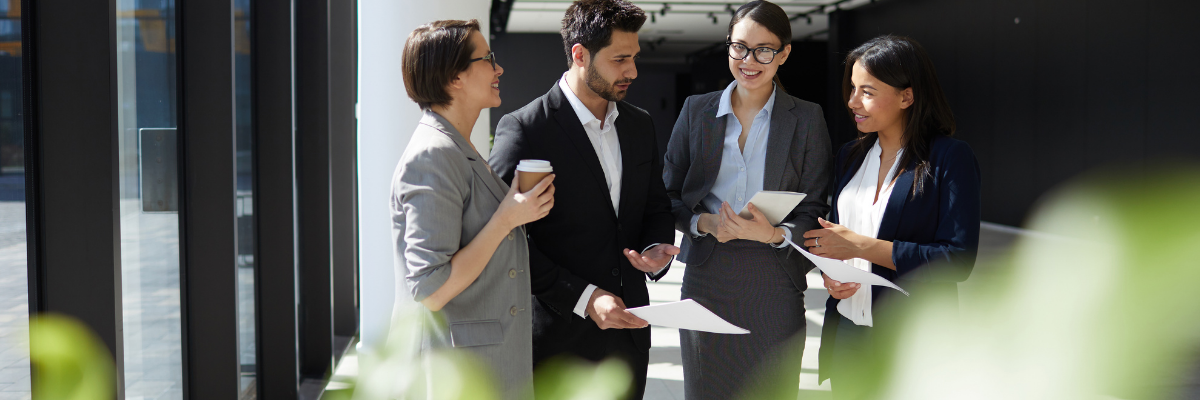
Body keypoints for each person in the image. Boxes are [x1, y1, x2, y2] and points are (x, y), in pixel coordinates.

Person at [488, 0, 678, 397]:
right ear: (580, 54)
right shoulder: (525, 129)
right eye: (620, 59)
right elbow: (504, 238)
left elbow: (655, 205)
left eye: (635, 58)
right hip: (557, 344)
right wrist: (585, 298)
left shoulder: (640, 125)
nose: (633, 71)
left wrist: (654, 246)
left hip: (629, 338)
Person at [661, 1, 832, 398]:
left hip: (774, 280)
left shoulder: (806, 119)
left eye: (763, 50)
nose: (748, 60)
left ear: (784, 53)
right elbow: (667, 193)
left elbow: (815, 207)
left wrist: (772, 234)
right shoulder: (695, 111)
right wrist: (705, 223)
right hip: (707, 276)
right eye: (739, 47)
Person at [804, 34, 981, 400]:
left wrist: (862, 247)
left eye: (867, 91)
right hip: (848, 332)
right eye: (852, 89)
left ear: (907, 95)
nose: (853, 102)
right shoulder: (849, 157)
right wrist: (833, 274)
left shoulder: (949, 158)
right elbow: (842, 241)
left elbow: (956, 259)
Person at [392, 19, 555, 399]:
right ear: (454, 77)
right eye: (488, 59)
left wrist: (515, 205)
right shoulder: (433, 155)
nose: (498, 69)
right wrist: (507, 218)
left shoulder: (458, 148)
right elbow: (429, 288)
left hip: (483, 364)